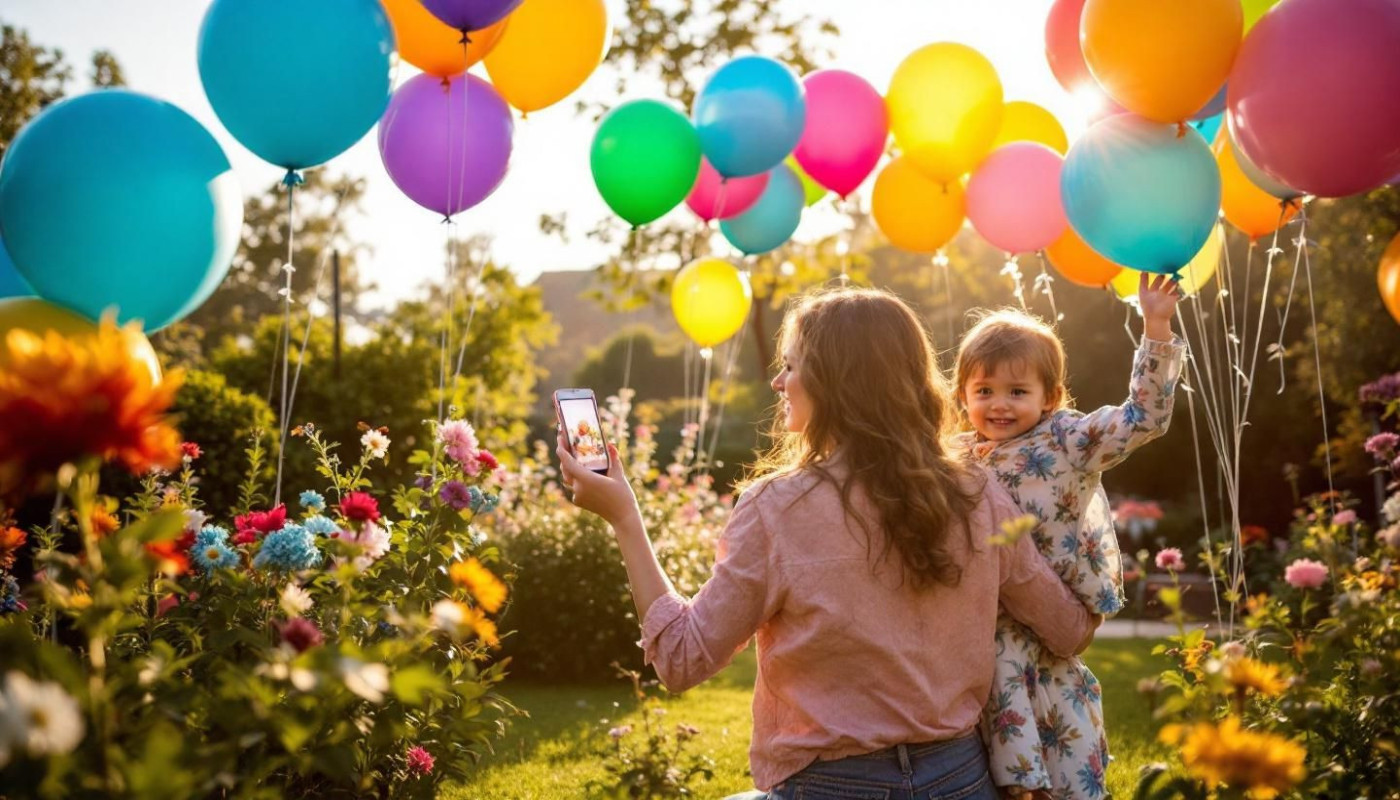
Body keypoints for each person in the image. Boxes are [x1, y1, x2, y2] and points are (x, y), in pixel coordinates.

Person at [556, 287, 1101, 800]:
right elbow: (1070, 631)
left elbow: (681, 660)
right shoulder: (978, 492)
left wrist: (624, 517)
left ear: (834, 382)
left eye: (790, 366)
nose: (778, 383)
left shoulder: (776, 508)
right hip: (960, 778)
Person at [952, 273, 1185, 799]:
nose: (999, 405)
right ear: (963, 395)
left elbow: (1143, 418)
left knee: (1064, 721)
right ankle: (1021, 785)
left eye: (1017, 391)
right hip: (987, 620)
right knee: (1003, 709)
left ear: (1050, 395)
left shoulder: (1067, 439)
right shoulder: (958, 455)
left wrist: (1157, 325)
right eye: (983, 391)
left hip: (1056, 613)